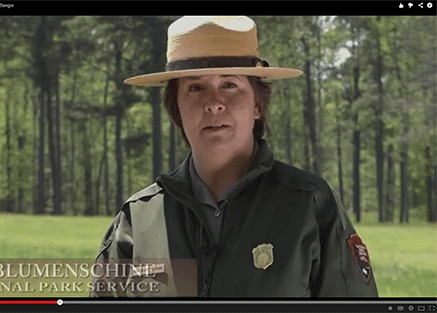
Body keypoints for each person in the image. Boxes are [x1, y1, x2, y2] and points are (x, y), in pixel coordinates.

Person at [90, 16, 378, 297]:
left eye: (230, 85)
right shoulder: (138, 220)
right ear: (176, 109)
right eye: (195, 87)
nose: (214, 103)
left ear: (257, 104)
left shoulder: (309, 206)